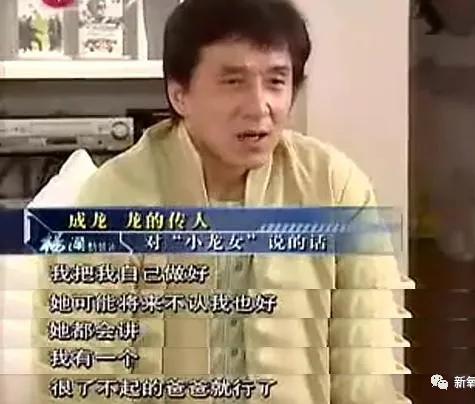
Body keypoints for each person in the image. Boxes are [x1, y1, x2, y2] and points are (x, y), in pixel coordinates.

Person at [36, 0, 409, 403]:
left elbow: (364, 365)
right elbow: (83, 376)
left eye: (276, 81)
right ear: (180, 94)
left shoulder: (335, 187)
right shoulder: (111, 200)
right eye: (233, 82)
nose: (259, 106)